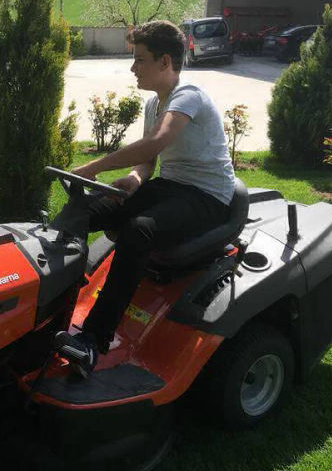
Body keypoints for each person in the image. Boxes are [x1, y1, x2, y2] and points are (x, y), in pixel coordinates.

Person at [54, 20, 236, 378]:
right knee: (84, 209)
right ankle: (47, 306)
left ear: (165, 61)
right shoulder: (154, 104)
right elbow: (149, 160)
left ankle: (92, 340)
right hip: (171, 186)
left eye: (139, 59)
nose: (133, 68)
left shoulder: (188, 96)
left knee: (139, 230)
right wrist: (136, 178)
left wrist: (94, 167)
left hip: (208, 198)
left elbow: (156, 142)